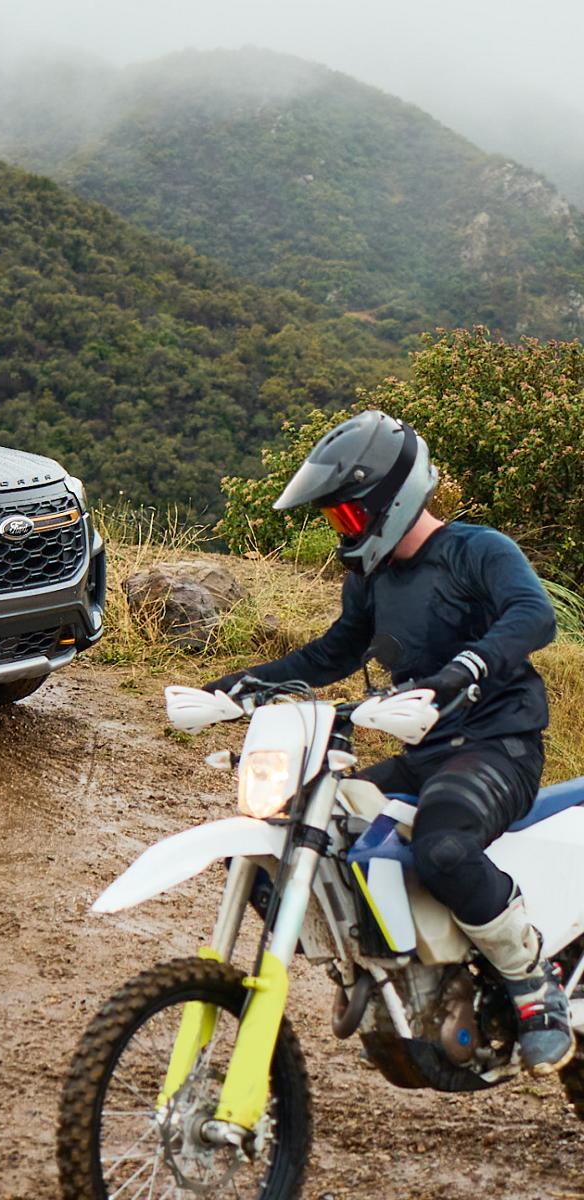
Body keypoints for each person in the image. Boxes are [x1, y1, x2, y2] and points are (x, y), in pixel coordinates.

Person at [206, 408, 574, 1075]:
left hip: (498, 745)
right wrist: (235, 688)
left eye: (346, 516)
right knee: (291, 835)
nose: (341, 530)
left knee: (444, 846)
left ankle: (532, 983)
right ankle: (377, 971)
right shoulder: (370, 578)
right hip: (424, 749)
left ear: (389, 498)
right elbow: (335, 652)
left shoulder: (477, 550)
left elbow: (534, 615)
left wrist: (468, 668)